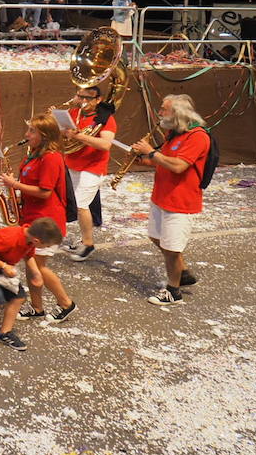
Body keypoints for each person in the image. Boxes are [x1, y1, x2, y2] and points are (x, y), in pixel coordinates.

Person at [130, 94, 212, 305]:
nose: (159, 112)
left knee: (172, 249)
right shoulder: (173, 134)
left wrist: (151, 152)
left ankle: (173, 290)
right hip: (161, 197)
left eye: (163, 109)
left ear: (177, 113)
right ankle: (182, 271)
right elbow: (165, 162)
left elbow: (178, 166)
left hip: (181, 201)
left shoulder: (198, 137)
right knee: (157, 238)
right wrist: (144, 159)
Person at [0, 114, 77, 333]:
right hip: (32, 216)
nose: (26, 135)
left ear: (43, 135)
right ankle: (37, 307)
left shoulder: (51, 157)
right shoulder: (34, 153)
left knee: (39, 267)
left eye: (31, 131)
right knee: (31, 264)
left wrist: (14, 185)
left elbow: (45, 192)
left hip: (46, 221)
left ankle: (66, 303)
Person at [0, 218, 64, 352]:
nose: (46, 249)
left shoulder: (29, 239)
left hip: (3, 265)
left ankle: (4, 333)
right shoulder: (10, 238)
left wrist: (36, 273)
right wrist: (3, 266)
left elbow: (28, 256)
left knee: (18, 297)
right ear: (37, 241)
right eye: (47, 246)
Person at [61, 86, 116, 261]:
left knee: (81, 205)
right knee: (74, 204)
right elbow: (64, 134)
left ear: (98, 100)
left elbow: (105, 144)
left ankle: (88, 244)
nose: (82, 101)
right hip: (72, 163)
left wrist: (78, 136)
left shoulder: (105, 120)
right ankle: (83, 238)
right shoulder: (73, 112)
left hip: (93, 167)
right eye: (80, 96)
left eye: (87, 98)